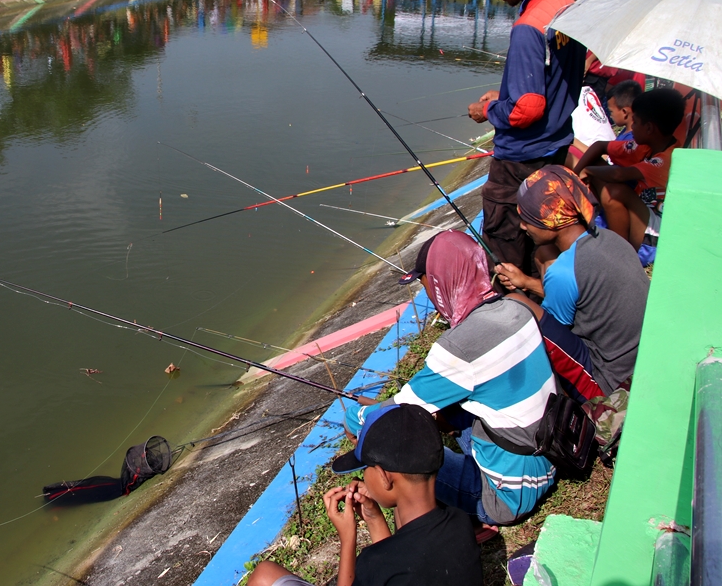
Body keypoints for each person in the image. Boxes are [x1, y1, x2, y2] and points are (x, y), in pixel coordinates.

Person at [360, 231, 558, 527]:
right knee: (445, 411)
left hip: (509, 496)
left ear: (439, 282)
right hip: (552, 457)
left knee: (397, 454)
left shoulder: (461, 346)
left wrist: (359, 417)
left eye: (424, 282)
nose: (427, 293)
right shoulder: (516, 307)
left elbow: (399, 412)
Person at [248, 404, 483, 586]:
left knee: (264, 576)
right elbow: (400, 558)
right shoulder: (460, 521)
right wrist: (374, 519)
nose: (363, 477)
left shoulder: (375, 563)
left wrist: (347, 538)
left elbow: (388, 563)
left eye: (365, 468)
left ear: (384, 475)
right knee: (266, 573)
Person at [467, 0, 585, 277]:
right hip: (556, 146)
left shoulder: (527, 27)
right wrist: (504, 96)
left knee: (505, 243)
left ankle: (511, 311)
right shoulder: (563, 6)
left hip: (520, 159)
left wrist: (487, 109)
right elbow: (549, 84)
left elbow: (527, 110)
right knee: (544, 237)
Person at [495, 166, 649, 401]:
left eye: (527, 218)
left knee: (523, 308)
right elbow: (582, 292)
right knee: (543, 255)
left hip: (612, 380)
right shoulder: (610, 238)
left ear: (551, 218)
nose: (522, 226)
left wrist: (522, 294)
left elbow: (552, 334)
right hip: (643, 354)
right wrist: (526, 282)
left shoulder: (563, 273)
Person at [574, 88, 685, 251]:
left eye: (636, 122)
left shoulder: (666, 159)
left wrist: (588, 171)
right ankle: (599, 225)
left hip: (654, 237)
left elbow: (619, 175)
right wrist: (575, 174)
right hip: (640, 216)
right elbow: (599, 146)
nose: (631, 126)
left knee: (615, 192)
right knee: (597, 166)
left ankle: (621, 253)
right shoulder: (647, 146)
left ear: (649, 128)